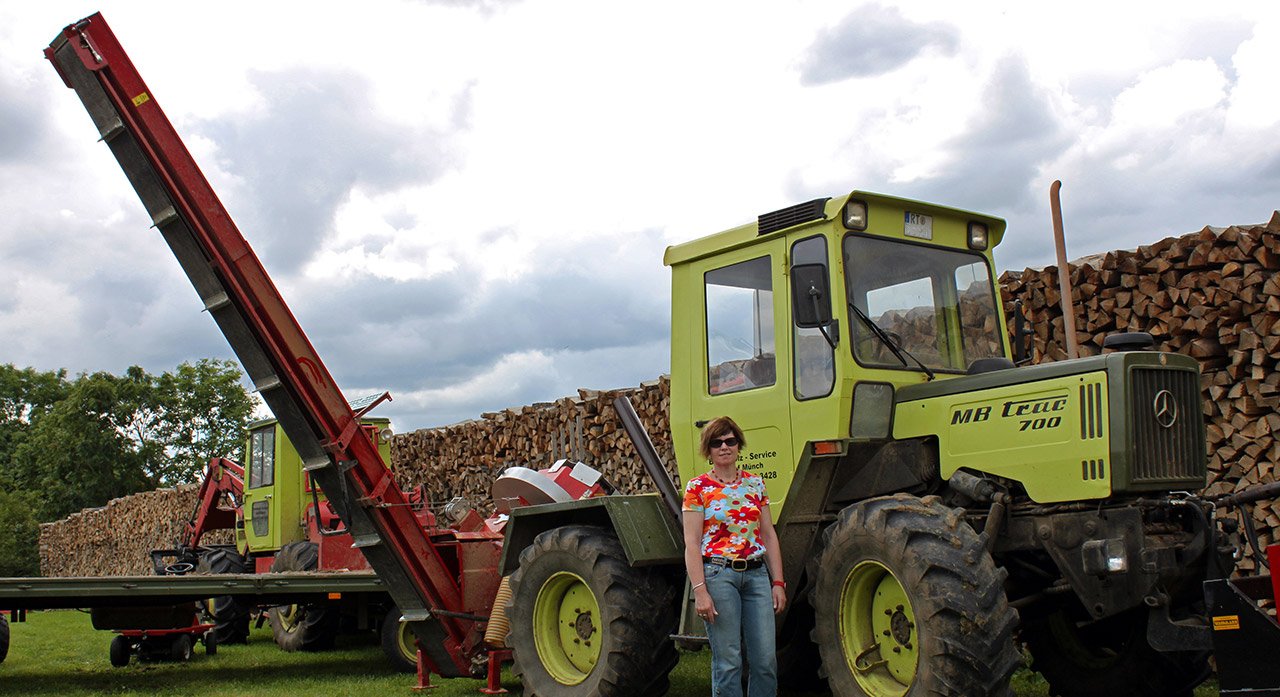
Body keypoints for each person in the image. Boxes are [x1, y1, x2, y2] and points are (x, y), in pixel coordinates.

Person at [682, 416, 786, 697]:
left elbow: (768, 534)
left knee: (765, 661)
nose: (724, 447)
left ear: (739, 445)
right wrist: (700, 591)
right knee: (728, 662)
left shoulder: (755, 485)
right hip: (718, 576)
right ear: (708, 449)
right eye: (717, 443)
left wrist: (778, 582)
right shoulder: (697, 488)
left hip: (756, 576)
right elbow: (691, 543)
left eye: (730, 441)